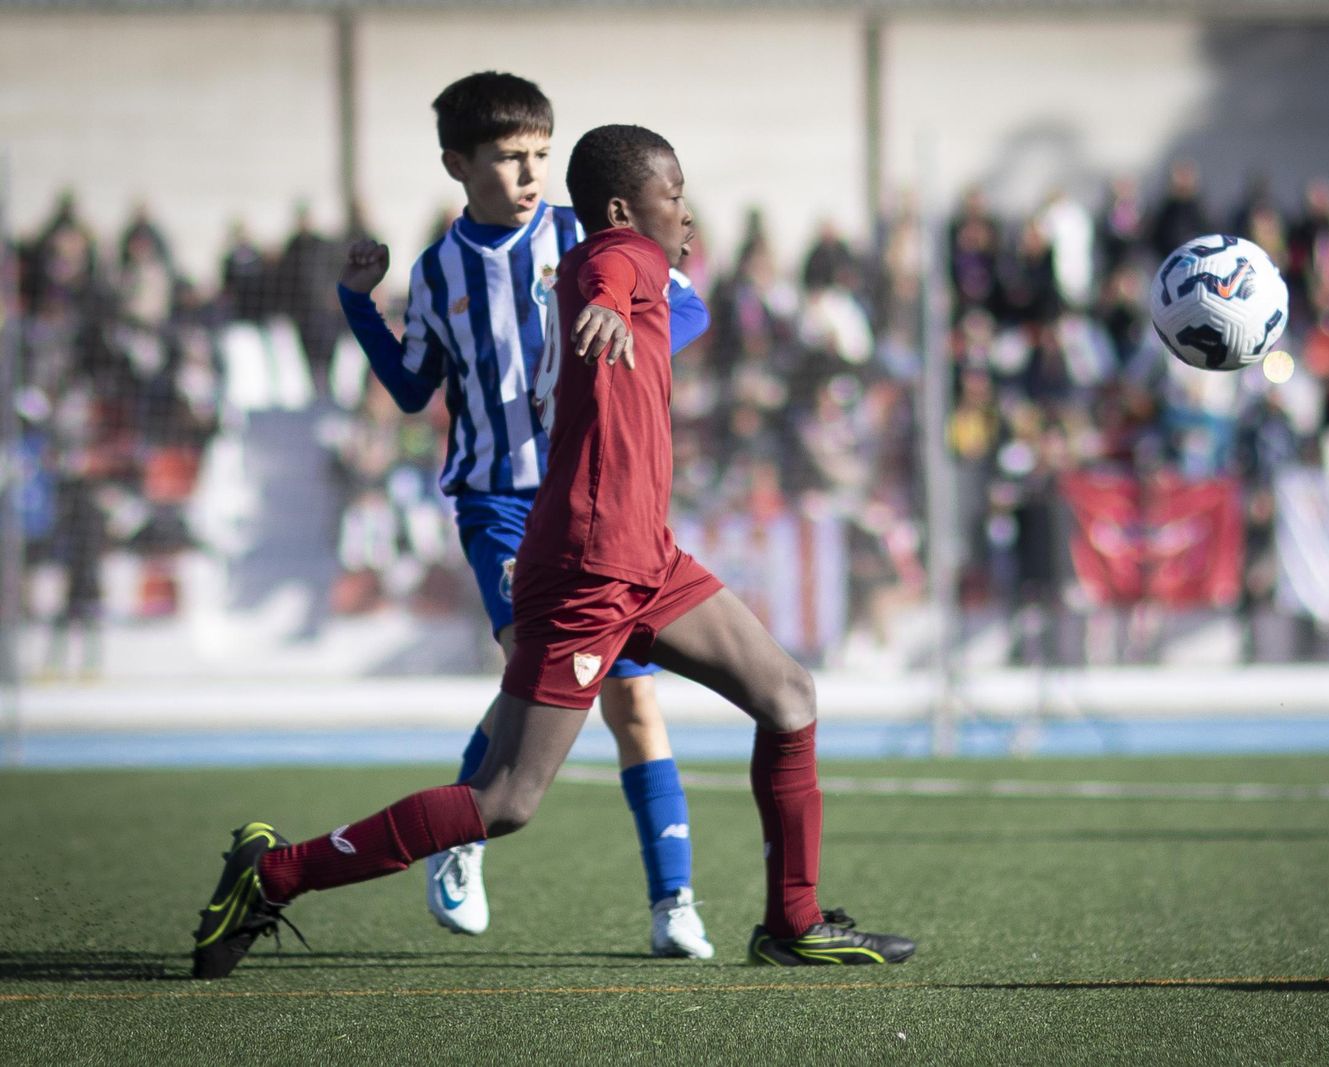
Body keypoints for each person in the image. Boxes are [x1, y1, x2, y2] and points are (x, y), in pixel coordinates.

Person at [192, 122, 915, 979]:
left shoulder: (596, 261)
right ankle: (272, 873)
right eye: (673, 194)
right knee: (506, 800)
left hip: (645, 557)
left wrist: (618, 307)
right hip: (589, 566)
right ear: (623, 207)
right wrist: (610, 305)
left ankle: (791, 921)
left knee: (789, 696)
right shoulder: (618, 256)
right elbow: (615, 274)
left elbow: (642, 288)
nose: (686, 211)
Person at [328, 73, 711, 957]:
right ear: (457, 164)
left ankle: (674, 901)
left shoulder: (588, 235)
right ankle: (462, 833)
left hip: (600, 497)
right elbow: (413, 384)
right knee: (526, 665)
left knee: (635, 705)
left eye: (542, 153)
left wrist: (627, 332)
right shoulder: (436, 273)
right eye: (510, 157)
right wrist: (359, 304)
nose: (531, 172)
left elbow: (684, 307)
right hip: (499, 503)